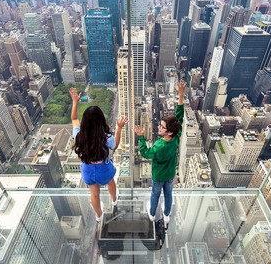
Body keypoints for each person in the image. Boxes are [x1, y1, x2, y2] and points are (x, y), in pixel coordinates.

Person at [70, 87, 127, 223]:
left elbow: (74, 119)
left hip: (88, 170)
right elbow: (116, 145)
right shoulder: (105, 138)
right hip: (104, 170)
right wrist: (119, 128)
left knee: (94, 194)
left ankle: (99, 216)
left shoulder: (79, 136)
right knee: (111, 183)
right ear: (101, 121)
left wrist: (75, 102)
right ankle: (114, 201)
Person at [134, 79, 185, 226]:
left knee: (155, 194)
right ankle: (167, 214)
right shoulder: (176, 136)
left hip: (158, 176)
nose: (159, 128)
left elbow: (145, 153)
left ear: (168, 132)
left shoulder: (159, 145)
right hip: (170, 174)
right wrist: (180, 95)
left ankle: (151, 213)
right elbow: (179, 116)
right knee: (168, 194)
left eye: (162, 127)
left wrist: (141, 137)